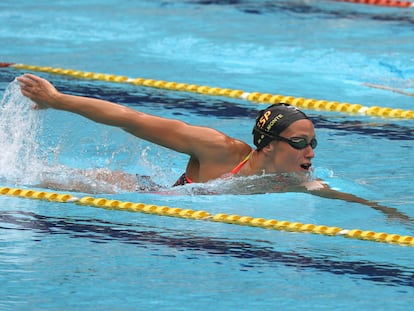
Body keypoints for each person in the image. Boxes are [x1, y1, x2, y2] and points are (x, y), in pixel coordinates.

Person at [17, 74, 411, 223]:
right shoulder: (221, 150)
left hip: (174, 208)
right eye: (299, 143)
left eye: (313, 144)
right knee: (46, 180)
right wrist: (57, 99)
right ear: (269, 145)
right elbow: (131, 119)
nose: (310, 152)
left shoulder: (295, 181)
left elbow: (348, 199)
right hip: (136, 193)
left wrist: (390, 213)